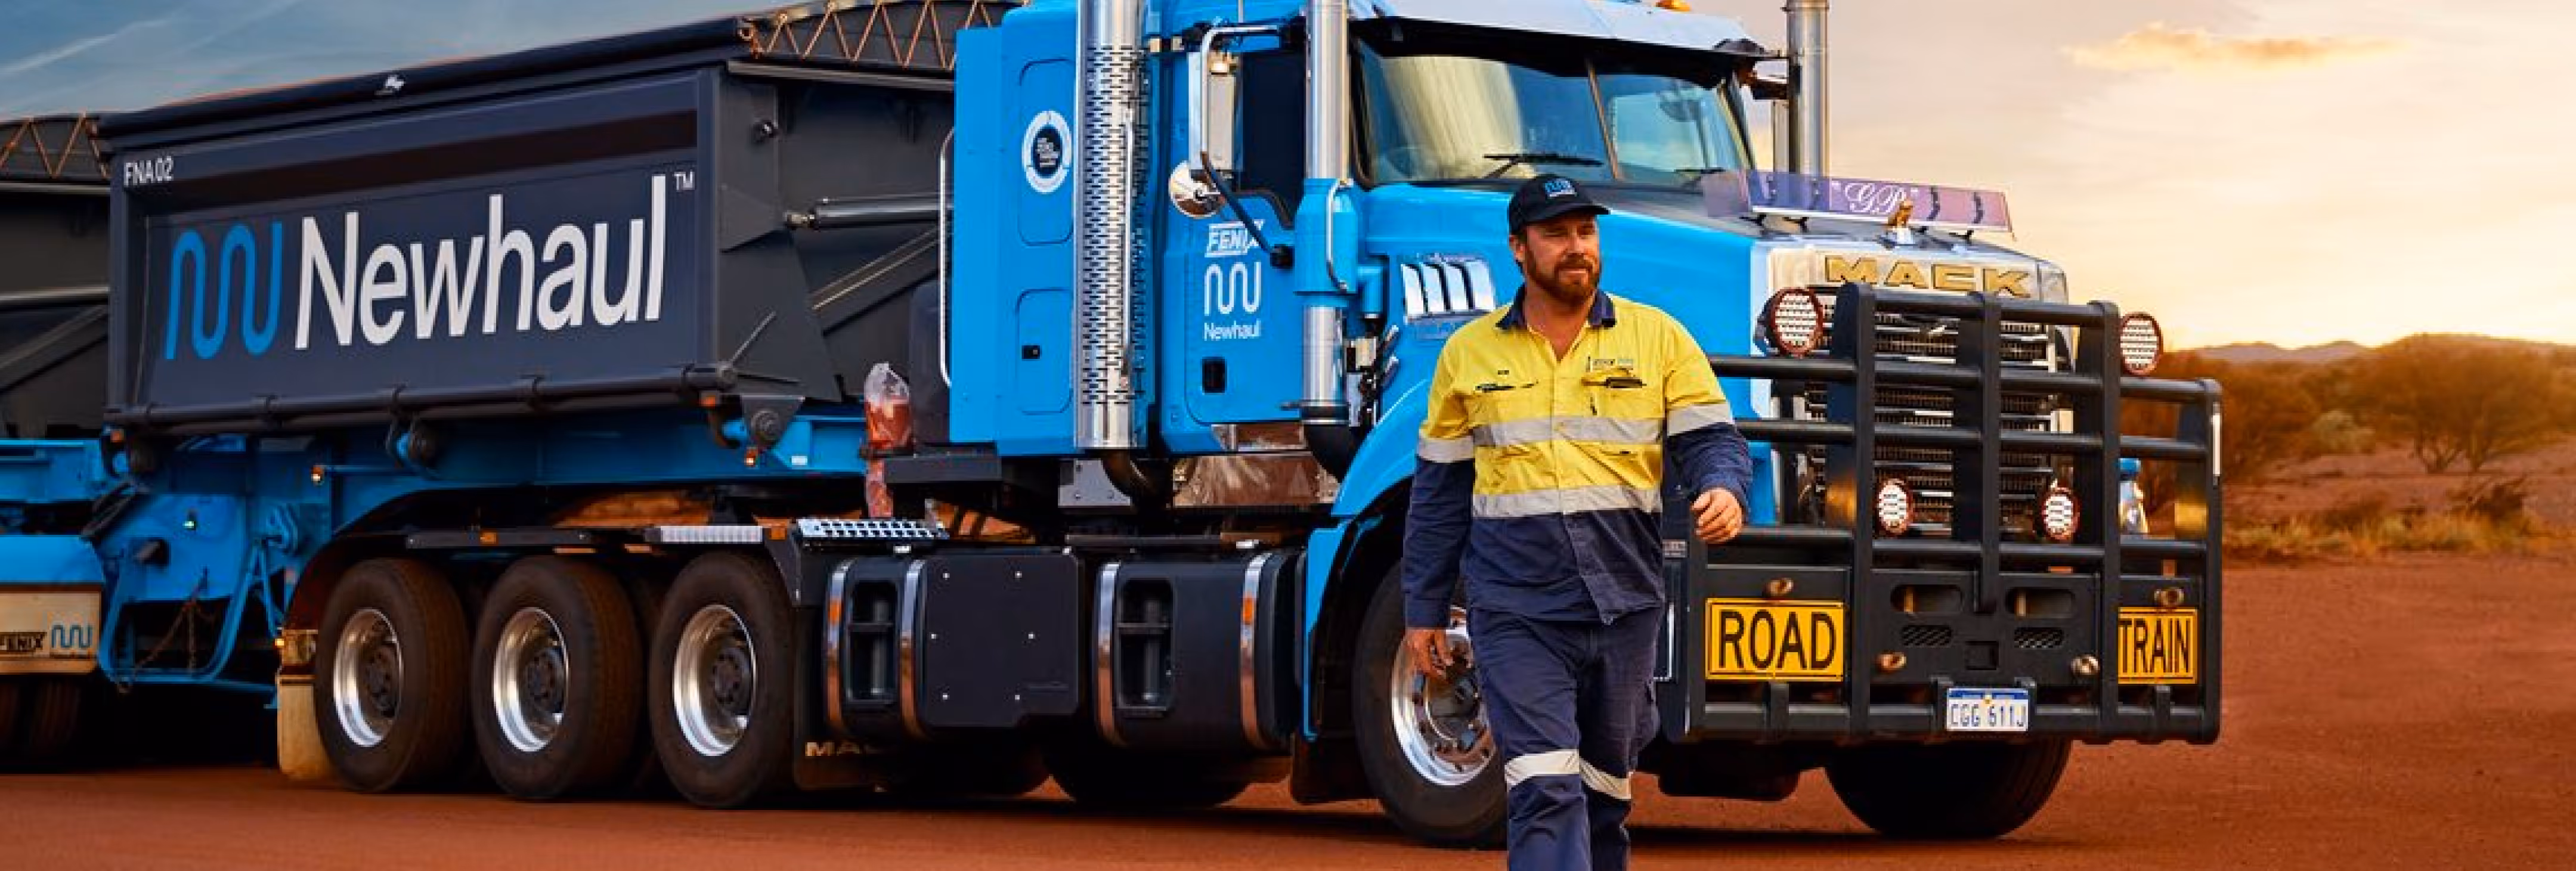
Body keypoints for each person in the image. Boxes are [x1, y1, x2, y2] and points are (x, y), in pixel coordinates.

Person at [1402, 174, 1754, 870]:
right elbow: (1439, 494)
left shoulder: (1659, 338)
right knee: (1544, 786)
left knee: (1603, 791)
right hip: (1518, 607)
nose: (1576, 249)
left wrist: (1724, 489)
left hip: (1626, 605)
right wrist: (1424, 609)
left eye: (1586, 233)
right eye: (1556, 235)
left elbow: (1712, 440)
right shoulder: (1468, 356)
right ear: (1519, 249)